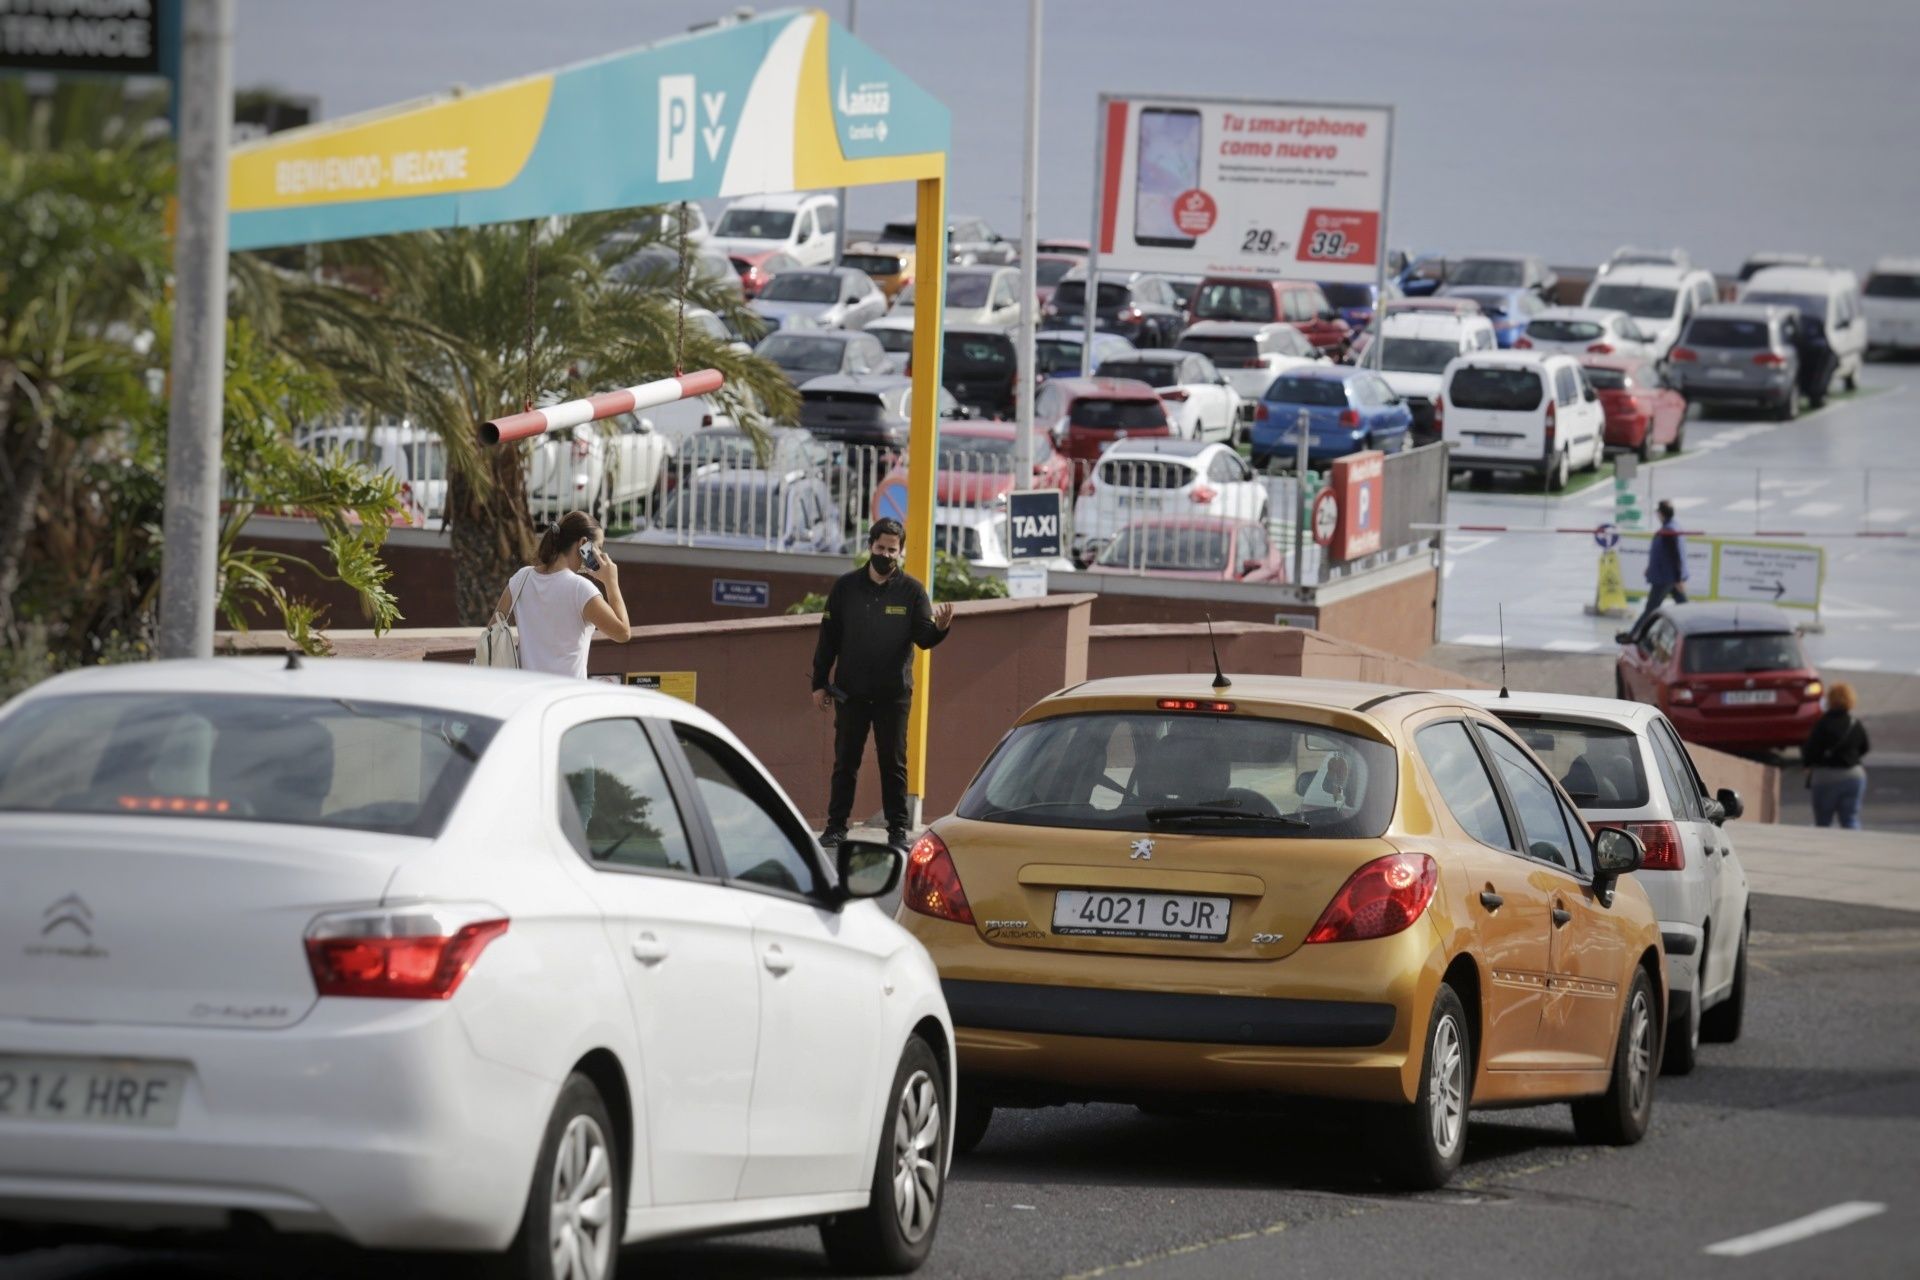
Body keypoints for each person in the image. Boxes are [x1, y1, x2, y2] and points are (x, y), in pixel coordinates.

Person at [810, 518, 954, 850]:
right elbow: (827, 639)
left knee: (893, 763)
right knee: (845, 760)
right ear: (870, 546)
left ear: (900, 552)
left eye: (892, 550)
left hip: (893, 695)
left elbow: (924, 640)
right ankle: (835, 827)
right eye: (880, 548)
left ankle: (897, 832)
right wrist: (819, 683)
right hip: (851, 693)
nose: (885, 555)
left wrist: (941, 629)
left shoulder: (913, 591)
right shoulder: (845, 588)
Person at [495, 510, 631, 678]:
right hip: (564, 697)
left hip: (527, 695)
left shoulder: (521, 578)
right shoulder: (581, 589)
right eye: (599, 547)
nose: (601, 556)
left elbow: (492, 630)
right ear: (583, 544)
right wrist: (611, 583)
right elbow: (623, 633)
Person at [1618, 499, 1688, 643]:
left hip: (1665, 578)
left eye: (1657, 512)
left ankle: (1633, 636)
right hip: (1667, 576)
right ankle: (1694, 631)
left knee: (1651, 609)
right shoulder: (1671, 527)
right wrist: (1651, 567)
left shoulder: (1669, 531)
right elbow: (1665, 554)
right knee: (1684, 607)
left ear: (1661, 514)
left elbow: (1676, 556)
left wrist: (1678, 579)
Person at [1804, 681, 1870, 829]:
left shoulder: (1822, 723)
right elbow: (1865, 747)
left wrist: (1808, 765)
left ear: (1830, 700)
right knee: (1850, 820)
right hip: (1853, 776)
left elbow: (1810, 751)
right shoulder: (1854, 723)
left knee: (1823, 822)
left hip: (1825, 777)